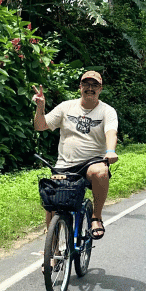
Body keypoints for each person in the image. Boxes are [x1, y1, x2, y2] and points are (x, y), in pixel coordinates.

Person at [32, 70, 118, 239]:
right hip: (64, 164)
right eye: (86, 84)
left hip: (92, 163)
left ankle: (96, 217)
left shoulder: (107, 111)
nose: (90, 88)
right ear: (80, 87)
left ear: (100, 89)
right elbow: (40, 126)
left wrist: (110, 151)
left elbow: (111, 132)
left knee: (101, 172)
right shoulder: (66, 107)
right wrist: (40, 108)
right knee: (53, 202)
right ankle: (52, 249)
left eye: (94, 85)